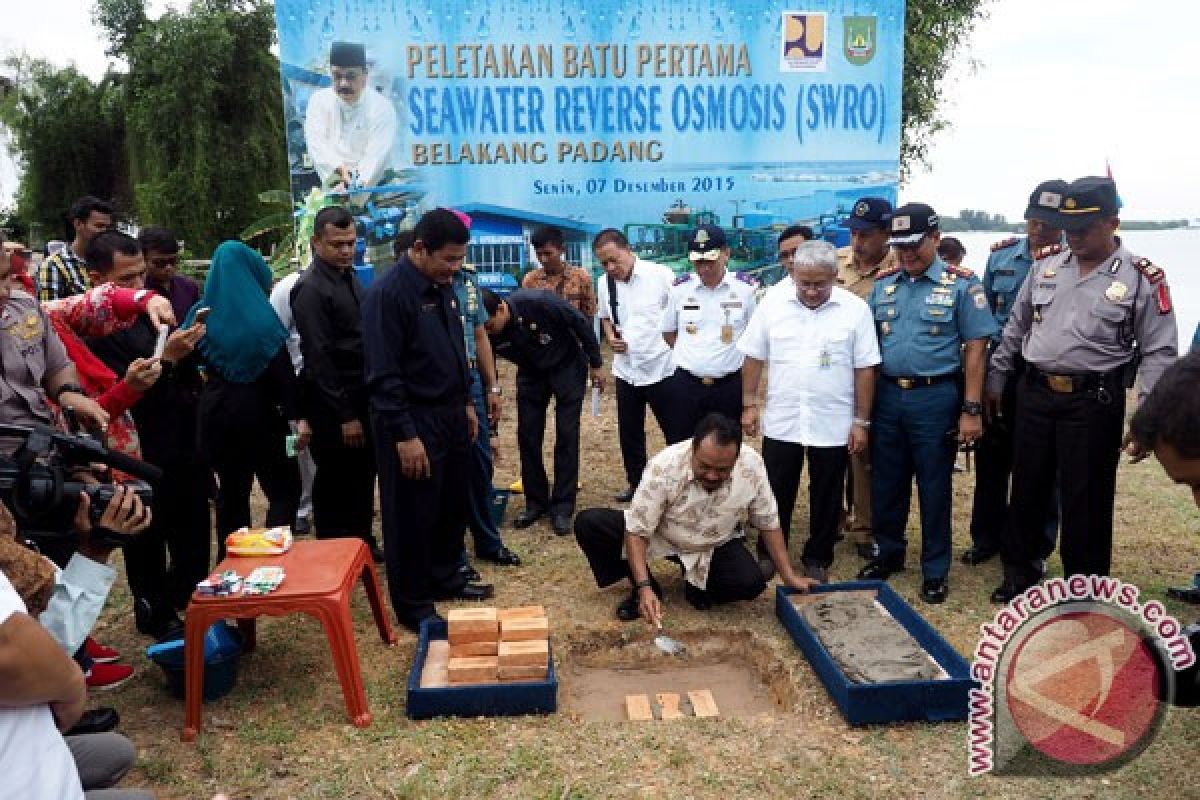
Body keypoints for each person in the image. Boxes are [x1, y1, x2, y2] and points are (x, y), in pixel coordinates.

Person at [988, 176, 1178, 602]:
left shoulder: (1141, 277)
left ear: (1112, 222)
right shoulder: (1047, 264)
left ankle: (1085, 586)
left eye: (1084, 227)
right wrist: (998, 377)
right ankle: (1019, 573)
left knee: (1087, 498)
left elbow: (1160, 353)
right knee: (1028, 488)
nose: (1073, 235)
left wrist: (1145, 417)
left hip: (1095, 400)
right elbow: (1016, 326)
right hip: (1035, 393)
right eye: (1068, 226)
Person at [858, 203, 997, 604]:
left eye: (915, 245)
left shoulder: (962, 285)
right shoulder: (884, 285)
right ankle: (889, 553)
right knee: (887, 481)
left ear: (935, 239)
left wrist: (971, 410)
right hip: (888, 395)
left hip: (935, 397)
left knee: (934, 487)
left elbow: (975, 349)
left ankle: (935, 570)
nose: (906, 254)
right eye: (899, 246)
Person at [362, 209, 493, 633]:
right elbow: (383, 372)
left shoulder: (445, 287)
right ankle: (414, 603)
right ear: (420, 249)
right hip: (413, 422)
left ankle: (446, 575)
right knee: (412, 514)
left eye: (460, 260)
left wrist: (467, 404)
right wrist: (405, 435)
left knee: (450, 504)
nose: (455, 268)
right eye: (449, 259)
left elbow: (457, 347)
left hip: (452, 414)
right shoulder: (389, 294)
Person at [573, 413, 817, 622]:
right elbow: (637, 532)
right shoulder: (664, 467)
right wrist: (644, 587)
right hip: (662, 534)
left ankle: (698, 584)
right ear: (693, 448)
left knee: (749, 583)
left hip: (713, 542)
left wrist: (788, 575)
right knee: (590, 523)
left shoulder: (751, 466)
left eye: (722, 470)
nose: (711, 475)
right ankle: (643, 588)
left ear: (736, 458)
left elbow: (768, 521)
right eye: (704, 466)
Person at [85, 234, 210, 637]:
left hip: (183, 446)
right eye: (127, 279)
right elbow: (115, 405)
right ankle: (154, 611)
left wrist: (189, 353)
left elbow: (183, 386)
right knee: (147, 542)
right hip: (138, 454)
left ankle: (182, 599)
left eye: (142, 275)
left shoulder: (153, 312)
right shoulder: (92, 333)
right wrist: (167, 361)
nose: (140, 288)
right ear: (96, 280)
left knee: (193, 542)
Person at [0, 489, 156, 799]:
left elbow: (44, 650)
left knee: (114, 751)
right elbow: (13, 651)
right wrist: (71, 685)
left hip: (30, 738)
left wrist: (95, 552)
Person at [739, 241, 880, 582]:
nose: (812, 291)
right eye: (805, 283)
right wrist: (748, 404)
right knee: (775, 489)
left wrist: (861, 422)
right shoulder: (772, 304)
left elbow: (865, 369)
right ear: (793, 274)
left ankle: (818, 556)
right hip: (784, 418)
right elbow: (753, 356)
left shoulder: (855, 310)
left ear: (835, 275)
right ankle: (770, 552)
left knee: (827, 492)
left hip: (832, 419)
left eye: (820, 283)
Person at [962, 180, 1067, 567]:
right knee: (992, 458)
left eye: (1048, 223)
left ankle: (1035, 546)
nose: (1038, 229)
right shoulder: (1003, 257)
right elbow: (984, 316)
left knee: (1042, 466)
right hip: (1002, 368)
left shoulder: (1072, 261)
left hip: (1044, 372)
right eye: (1033, 220)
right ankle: (985, 538)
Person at [184, 242, 309, 558]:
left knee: (232, 493)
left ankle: (234, 564)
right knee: (284, 489)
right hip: (264, 418)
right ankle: (271, 556)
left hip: (216, 416)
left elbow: (181, 359)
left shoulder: (200, 314)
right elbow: (283, 376)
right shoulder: (262, 319)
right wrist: (300, 418)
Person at [289, 207, 384, 563]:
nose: (346, 250)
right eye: (337, 244)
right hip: (332, 402)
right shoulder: (311, 289)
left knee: (361, 474)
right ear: (316, 242)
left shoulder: (350, 278)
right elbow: (319, 357)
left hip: (361, 393)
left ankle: (360, 543)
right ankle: (333, 551)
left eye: (351, 243)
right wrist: (345, 415)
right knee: (334, 479)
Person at [483, 288, 605, 535]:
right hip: (531, 373)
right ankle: (535, 502)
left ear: (501, 309)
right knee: (527, 435)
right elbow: (489, 368)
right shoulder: (486, 331)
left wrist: (596, 363)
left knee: (566, 435)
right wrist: (492, 395)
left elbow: (579, 322)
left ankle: (562, 506)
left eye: (489, 325)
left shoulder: (538, 302)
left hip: (567, 366)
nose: (486, 332)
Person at [445, 221, 520, 571]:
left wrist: (492, 387)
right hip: (441, 383)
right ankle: (454, 553)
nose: (457, 261)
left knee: (480, 463)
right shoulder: (421, 286)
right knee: (453, 469)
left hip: (472, 379)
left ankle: (488, 542)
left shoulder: (469, 281)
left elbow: (479, 335)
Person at [593, 228, 676, 502]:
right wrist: (610, 337)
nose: (610, 267)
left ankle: (680, 484)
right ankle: (637, 483)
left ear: (628, 249)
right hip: (627, 369)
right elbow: (605, 316)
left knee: (675, 431)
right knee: (629, 433)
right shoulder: (604, 283)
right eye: (604, 263)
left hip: (662, 366)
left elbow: (680, 314)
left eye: (614, 259)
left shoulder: (661, 276)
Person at [835, 196, 896, 560]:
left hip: (873, 376)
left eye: (867, 234)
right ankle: (834, 517)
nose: (858, 241)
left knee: (864, 455)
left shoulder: (898, 267)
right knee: (830, 453)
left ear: (886, 233)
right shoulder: (836, 262)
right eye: (854, 232)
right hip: (832, 375)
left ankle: (865, 527)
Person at [660, 224, 758, 442]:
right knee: (682, 448)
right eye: (698, 261)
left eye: (710, 260)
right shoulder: (680, 289)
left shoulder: (745, 290)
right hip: (686, 386)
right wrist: (693, 356)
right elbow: (668, 333)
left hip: (728, 388)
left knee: (725, 451)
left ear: (726, 254)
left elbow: (753, 340)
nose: (704, 268)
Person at [304, 41, 398, 189]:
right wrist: (338, 169)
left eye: (351, 76)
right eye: (337, 76)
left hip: (375, 188)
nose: (343, 84)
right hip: (333, 180)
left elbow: (377, 156)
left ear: (365, 76)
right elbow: (316, 143)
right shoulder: (319, 101)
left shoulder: (382, 108)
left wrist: (356, 185)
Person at [268, 268, 317, 536]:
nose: (344, 251)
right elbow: (276, 335)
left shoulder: (348, 281)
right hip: (295, 380)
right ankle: (301, 508)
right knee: (300, 449)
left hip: (325, 383)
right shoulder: (288, 288)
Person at [36, 196, 114, 302]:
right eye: (99, 226)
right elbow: (48, 313)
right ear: (78, 224)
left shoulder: (111, 260)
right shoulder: (53, 265)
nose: (105, 232)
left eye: (108, 227)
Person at [522, 225, 597, 317]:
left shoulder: (581, 277)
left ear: (562, 250)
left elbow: (589, 315)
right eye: (539, 254)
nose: (543, 259)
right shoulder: (530, 280)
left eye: (548, 253)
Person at [138, 226, 200, 324]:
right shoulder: (138, 293)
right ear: (143, 260)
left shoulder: (189, 287)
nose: (168, 267)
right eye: (159, 262)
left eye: (173, 261)